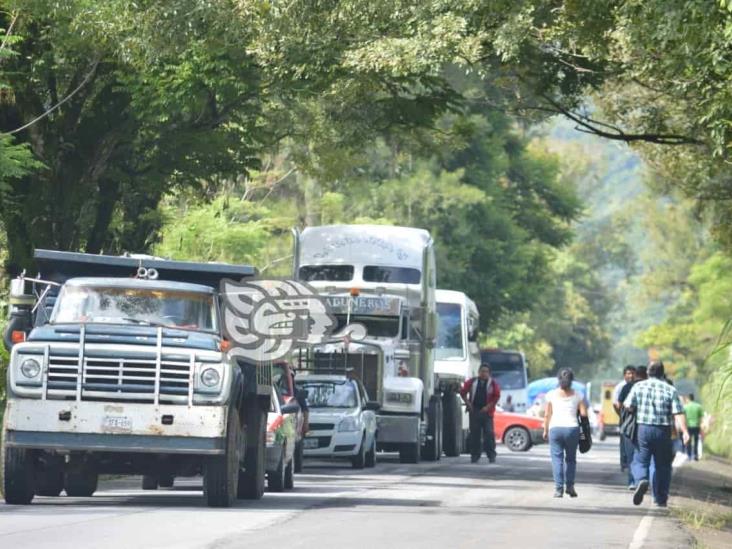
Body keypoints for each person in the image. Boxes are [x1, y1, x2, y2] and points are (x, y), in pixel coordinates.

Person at [625, 361, 690, 508]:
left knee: (640, 460)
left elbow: (628, 405)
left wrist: (636, 409)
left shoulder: (638, 386)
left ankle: (641, 479)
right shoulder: (670, 389)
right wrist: (685, 432)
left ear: (648, 372)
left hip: (644, 429)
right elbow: (678, 413)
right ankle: (660, 499)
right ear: (662, 373)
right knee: (663, 465)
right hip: (663, 430)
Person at [543, 368, 588, 498]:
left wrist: (545, 430)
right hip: (572, 429)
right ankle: (570, 486)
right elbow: (584, 414)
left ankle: (558, 489)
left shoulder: (551, 394)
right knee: (571, 459)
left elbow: (547, 414)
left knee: (557, 459)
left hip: (555, 429)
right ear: (572, 380)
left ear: (558, 379)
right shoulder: (578, 395)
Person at [460, 363, 501, 463]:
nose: (484, 374)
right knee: (475, 434)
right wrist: (468, 403)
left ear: (489, 373)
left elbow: (496, 396)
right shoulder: (472, 382)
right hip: (475, 411)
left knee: (489, 433)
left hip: (487, 413)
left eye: (486, 372)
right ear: (479, 372)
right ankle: (475, 455)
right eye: (482, 371)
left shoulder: (492, 384)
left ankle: (491, 455)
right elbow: (462, 392)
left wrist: (488, 407)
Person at [618, 366, 646, 489]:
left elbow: (621, 405)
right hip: (646, 425)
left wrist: (623, 416)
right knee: (643, 454)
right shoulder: (648, 387)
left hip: (629, 426)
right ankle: (643, 479)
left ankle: (632, 482)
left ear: (635, 375)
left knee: (631, 455)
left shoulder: (627, 387)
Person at [615, 365, 636, 472]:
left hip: (634, 419)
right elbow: (616, 404)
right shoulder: (621, 387)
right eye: (628, 373)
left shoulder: (637, 385)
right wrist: (621, 415)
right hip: (624, 418)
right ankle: (624, 463)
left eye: (632, 373)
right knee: (624, 441)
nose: (631, 376)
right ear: (624, 375)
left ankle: (631, 463)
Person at [683, 394, 703, 461]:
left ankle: (689, 456)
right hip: (697, 426)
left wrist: (684, 427)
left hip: (688, 426)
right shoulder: (698, 406)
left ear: (688, 399)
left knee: (689, 441)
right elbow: (701, 417)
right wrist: (700, 425)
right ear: (693, 398)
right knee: (696, 441)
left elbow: (683, 417)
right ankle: (695, 455)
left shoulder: (685, 407)